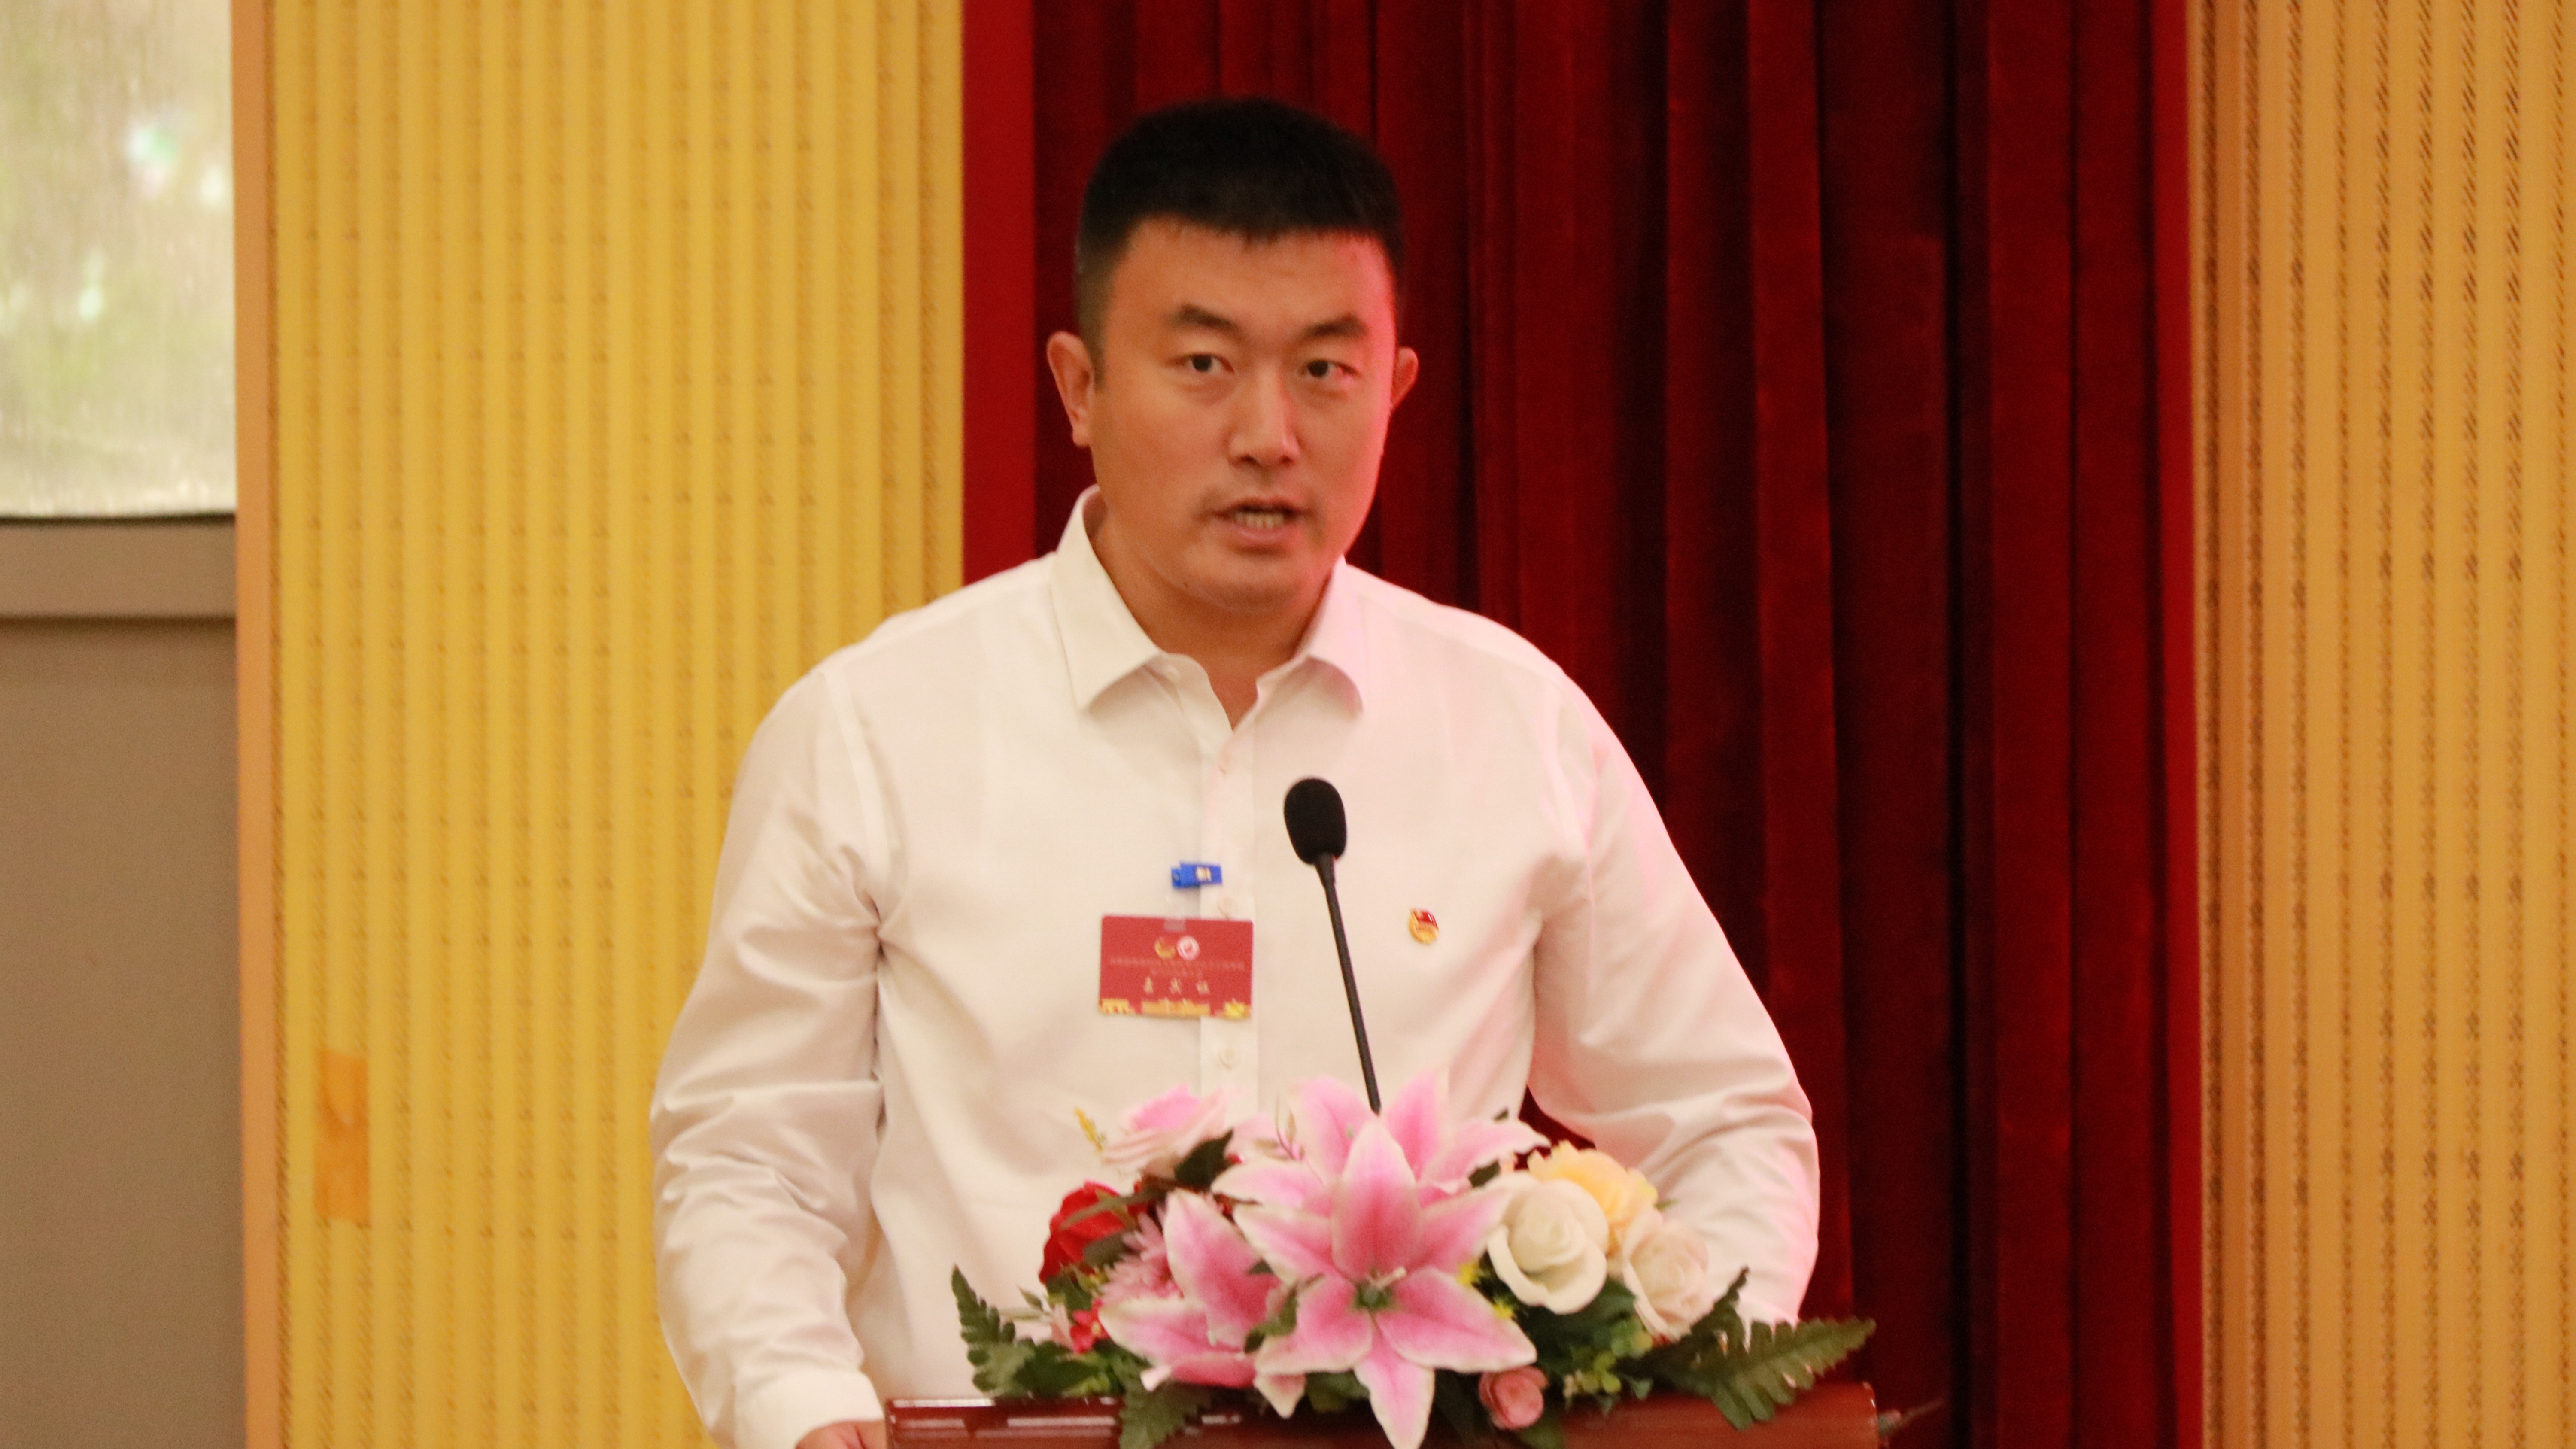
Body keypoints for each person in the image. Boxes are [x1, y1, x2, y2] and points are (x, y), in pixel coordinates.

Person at [650, 96, 1820, 1449]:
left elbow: (1726, 1120)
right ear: (1079, 387)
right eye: (1204, 364)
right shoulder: (874, 732)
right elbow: (749, 1159)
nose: (1270, 433)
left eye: (1326, 370)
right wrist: (799, 1410)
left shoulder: (1514, 729)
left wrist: (1681, 1391)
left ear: (1396, 389)